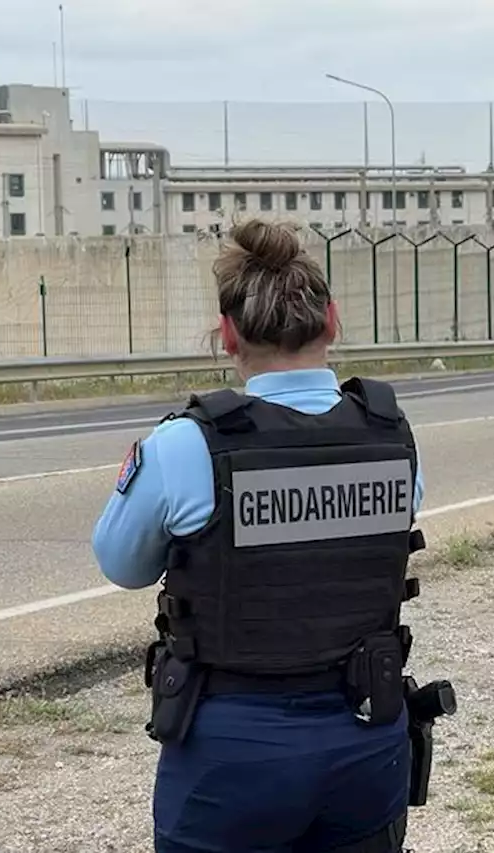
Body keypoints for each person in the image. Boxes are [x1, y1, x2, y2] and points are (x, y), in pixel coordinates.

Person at [91, 219, 428, 853]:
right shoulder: (390, 433)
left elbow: (122, 563)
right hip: (366, 731)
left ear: (228, 334)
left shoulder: (189, 445)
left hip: (233, 749)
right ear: (331, 320)